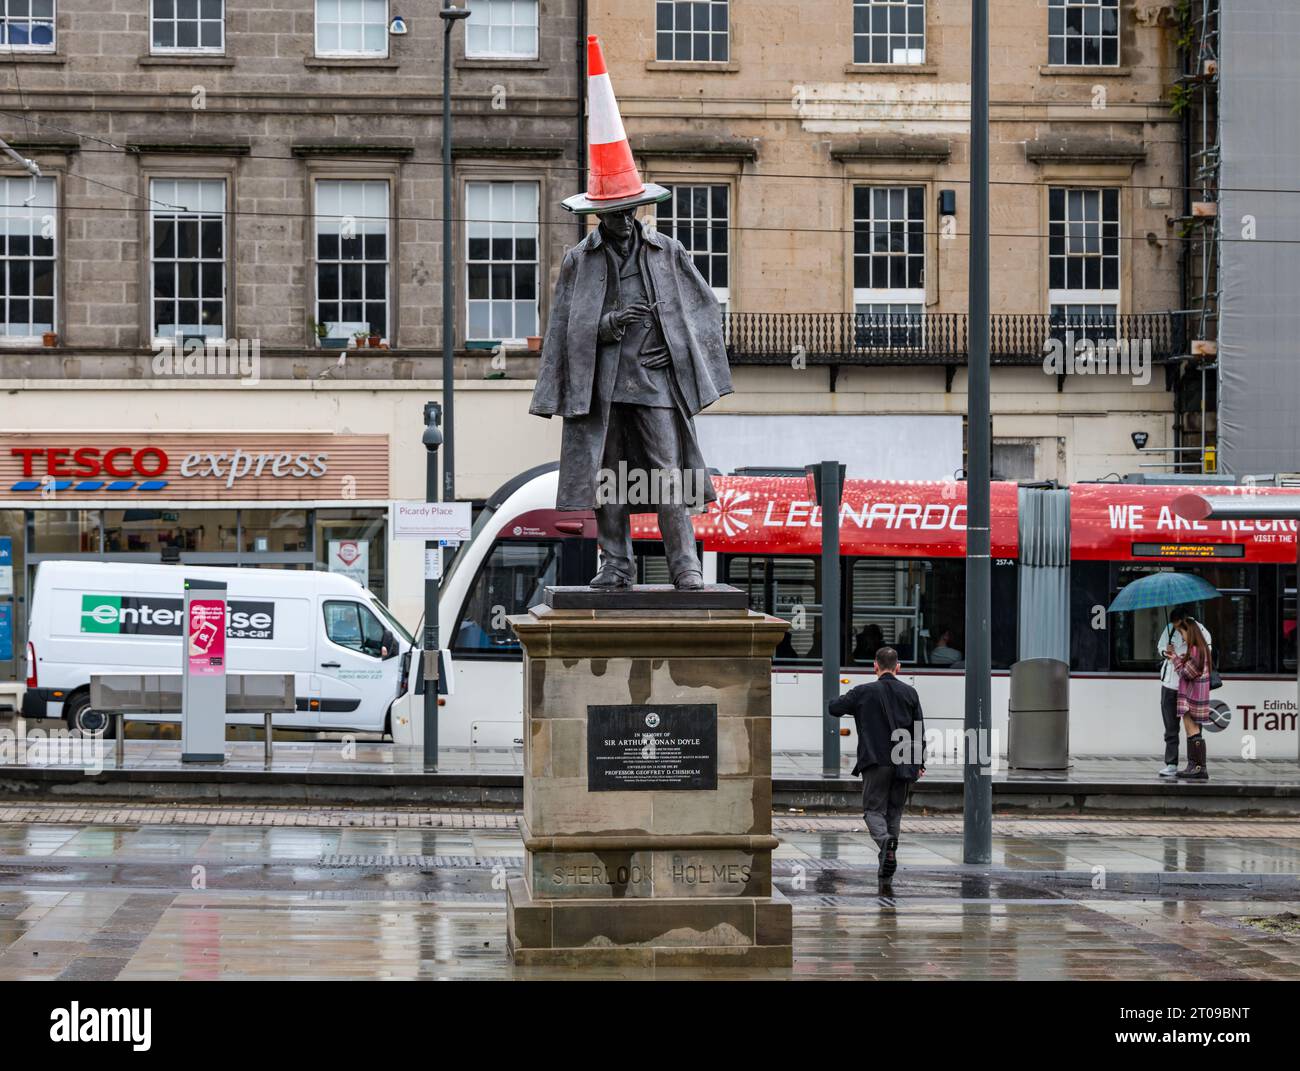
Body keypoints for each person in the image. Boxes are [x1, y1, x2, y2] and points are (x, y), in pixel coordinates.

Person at [829, 646, 925, 886]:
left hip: (875, 761)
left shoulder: (863, 692)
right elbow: (918, 730)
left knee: (873, 811)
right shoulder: (910, 693)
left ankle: (884, 842)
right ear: (898, 667)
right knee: (895, 812)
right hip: (903, 762)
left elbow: (835, 708)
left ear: (875, 666)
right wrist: (919, 762)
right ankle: (886, 866)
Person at [1156, 606, 1213, 777]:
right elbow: (1160, 648)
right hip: (1172, 685)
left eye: (1180, 629)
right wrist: (1167, 652)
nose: (1179, 633)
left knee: (1193, 728)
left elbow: (1189, 670)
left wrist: (1177, 658)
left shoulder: (1200, 635)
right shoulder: (1170, 629)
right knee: (1172, 728)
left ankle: (1195, 766)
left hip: (1190, 689)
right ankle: (1176, 764)